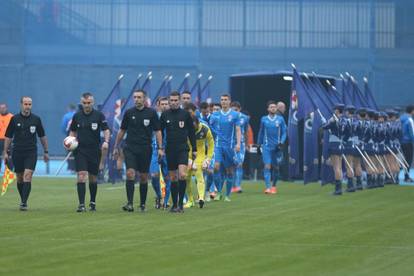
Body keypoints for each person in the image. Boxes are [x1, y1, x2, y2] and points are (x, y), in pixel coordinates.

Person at [113, 90, 163, 212]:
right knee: (130, 173)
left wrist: (160, 148)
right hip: (130, 148)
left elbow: (157, 131)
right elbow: (122, 130)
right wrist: (115, 146)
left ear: (144, 98)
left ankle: (142, 204)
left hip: (145, 148)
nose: (136, 99)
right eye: (135, 97)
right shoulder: (129, 113)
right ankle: (129, 203)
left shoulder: (151, 113)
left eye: (139, 97)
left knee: (144, 177)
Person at [3, 97, 49, 211]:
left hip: (31, 152)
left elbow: (42, 136)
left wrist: (46, 151)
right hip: (17, 151)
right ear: (21, 105)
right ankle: (22, 198)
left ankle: (24, 203)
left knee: (27, 176)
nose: (27, 106)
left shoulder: (36, 119)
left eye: (29, 104)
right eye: (25, 104)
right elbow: (8, 136)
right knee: (19, 178)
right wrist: (5, 152)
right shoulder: (14, 119)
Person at [69, 92, 110, 212]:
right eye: (84, 103)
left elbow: (106, 130)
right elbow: (73, 132)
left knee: (93, 178)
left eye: (89, 103)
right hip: (80, 150)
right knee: (81, 176)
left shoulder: (99, 116)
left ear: (93, 103)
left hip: (94, 151)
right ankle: (81, 204)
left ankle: (92, 202)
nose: (87, 105)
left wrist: (106, 141)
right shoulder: (77, 116)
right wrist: (70, 142)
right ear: (81, 103)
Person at [160, 91, 197, 213]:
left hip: (182, 149)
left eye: (176, 100)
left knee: (182, 175)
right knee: (173, 177)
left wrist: (195, 149)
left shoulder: (185, 114)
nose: (174, 102)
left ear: (179, 101)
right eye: (172, 100)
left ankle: (181, 203)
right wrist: (160, 147)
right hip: (170, 149)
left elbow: (191, 132)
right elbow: (159, 131)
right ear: (169, 101)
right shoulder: (165, 115)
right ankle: (174, 204)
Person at [209, 94, 241, 201]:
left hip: (230, 146)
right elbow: (209, 129)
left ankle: (227, 195)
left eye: (226, 100)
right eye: (222, 100)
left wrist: (238, 144)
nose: (223, 102)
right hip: (218, 145)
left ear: (229, 101)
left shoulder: (235, 115)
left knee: (229, 171)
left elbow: (237, 129)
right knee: (216, 167)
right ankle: (218, 191)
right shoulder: (215, 115)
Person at [184, 103, 214, 208]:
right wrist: (188, 159)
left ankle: (201, 198)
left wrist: (208, 159)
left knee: (198, 172)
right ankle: (190, 200)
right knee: (186, 177)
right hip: (187, 154)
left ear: (197, 123)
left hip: (200, 155)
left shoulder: (205, 129)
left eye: (194, 126)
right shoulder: (184, 129)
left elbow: (211, 143)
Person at [257, 101, 287, 194]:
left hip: (277, 147)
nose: (273, 108)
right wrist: (258, 144)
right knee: (267, 166)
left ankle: (274, 185)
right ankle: (268, 187)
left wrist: (281, 142)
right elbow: (261, 132)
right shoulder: (264, 119)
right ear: (268, 109)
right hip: (266, 147)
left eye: (274, 107)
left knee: (276, 167)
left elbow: (284, 132)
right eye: (271, 107)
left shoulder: (280, 119)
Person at [322, 104, 349, 195]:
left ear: (337, 111)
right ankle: (339, 188)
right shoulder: (345, 121)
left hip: (334, 144)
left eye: (335, 110)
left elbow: (324, 127)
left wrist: (328, 121)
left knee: (336, 167)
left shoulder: (334, 120)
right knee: (340, 167)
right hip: (341, 144)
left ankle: (338, 189)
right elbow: (348, 133)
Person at [149, 97, 170, 209]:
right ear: (158, 105)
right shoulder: (153, 117)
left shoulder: (173, 117)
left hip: (169, 151)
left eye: (167, 104)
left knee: (168, 177)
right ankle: (159, 196)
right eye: (162, 104)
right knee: (154, 175)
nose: (165, 106)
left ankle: (165, 201)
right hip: (154, 151)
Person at [230, 101, 249, 193]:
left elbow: (245, 131)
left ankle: (238, 185)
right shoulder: (229, 117)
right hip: (230, 143)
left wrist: (247, 143)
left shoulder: (245, 118)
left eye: (236, 110)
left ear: (240, 109)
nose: (235, 112)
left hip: (241, 144)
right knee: (233, 165)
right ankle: (233, 186)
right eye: (233, 110)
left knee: (239, 164)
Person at [400, 105, 414, 182]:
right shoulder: (410, 119)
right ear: (412, 111)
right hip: (408, 142)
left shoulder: (400, 118)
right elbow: (412, 133)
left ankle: (395, 175)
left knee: (403, 159)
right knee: (408, 160)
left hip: (400, 142)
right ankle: (406, 177)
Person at [61, 103, 76, 172]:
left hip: (69, 135)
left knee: (69, 151)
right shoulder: (77, 115)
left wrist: (67, 135)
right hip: (78, 136)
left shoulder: (66, 116)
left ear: (69, 108)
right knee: (77, 152)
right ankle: (77, 167)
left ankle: (71, 167)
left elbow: (63, 127)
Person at [0, 103, 13, 172]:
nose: (2, 109)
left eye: (3, 108)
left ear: (6, 108)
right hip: (0, 140)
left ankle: (9, 172)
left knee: (9, 157)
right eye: (1, 108)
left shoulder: (11, 117)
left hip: (8, 140)